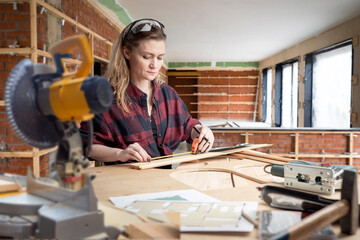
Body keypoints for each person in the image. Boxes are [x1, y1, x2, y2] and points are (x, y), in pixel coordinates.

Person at [80, 18, 214, 164]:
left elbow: (187, 125)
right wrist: (120, 153)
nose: (155, 65)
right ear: (127, 53)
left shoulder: (168, 94)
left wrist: (201, 131)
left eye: (160, 57)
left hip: (164, 182)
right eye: (147, 57)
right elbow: (87, 145)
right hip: (127, 183)